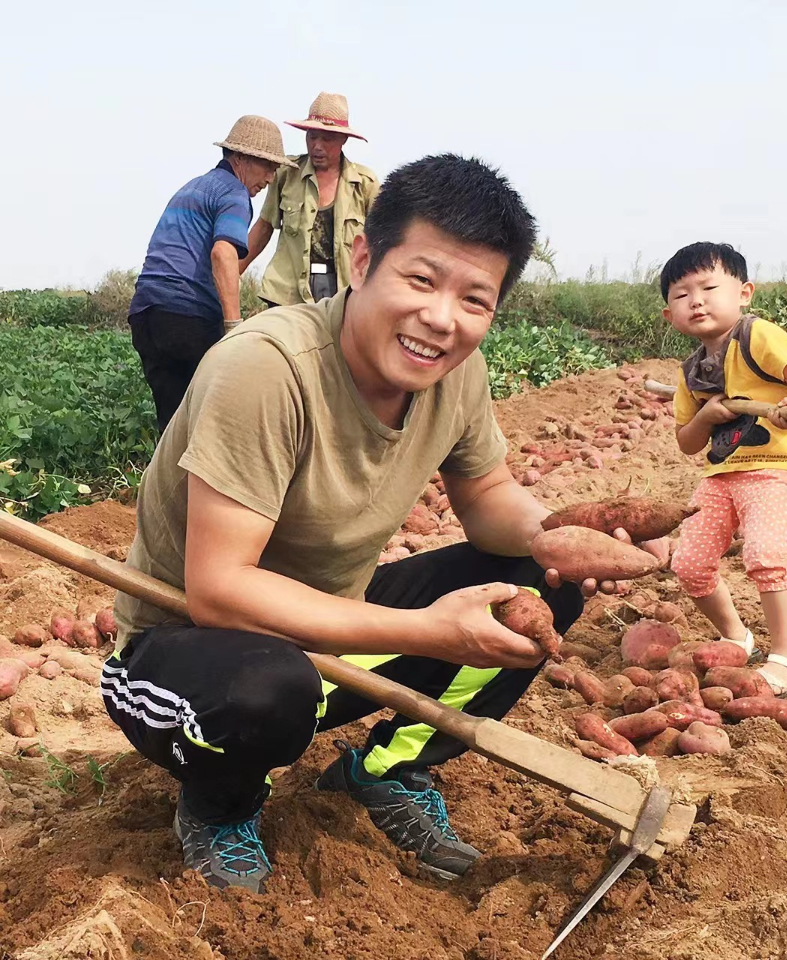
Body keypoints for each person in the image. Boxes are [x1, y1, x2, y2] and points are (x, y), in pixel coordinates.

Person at [105, 154, 651, 895]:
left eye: (475, 299)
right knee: (268, 690)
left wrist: (554, 536)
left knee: (537, 588)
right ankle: (220, 804)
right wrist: (428, 630)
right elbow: (220, 592)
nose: (441, 318)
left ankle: (386, 770)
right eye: (421, 280)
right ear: (364, 259)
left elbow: (488, 494)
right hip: (188, 659)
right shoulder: (267, 369)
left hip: (326, 639)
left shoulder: (457, 372)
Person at [662, 242, 787, 697]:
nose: (696, 300)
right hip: (720, 474)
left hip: (776, 465)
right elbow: (687, 443)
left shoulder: (759, 337)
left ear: (744, 293)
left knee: (765, 556)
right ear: (668, 314)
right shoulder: (691, 371)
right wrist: (706, 416)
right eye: (682, 294)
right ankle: (738, 637)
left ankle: (786, 659)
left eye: (709, 287)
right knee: (690, 564)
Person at [128, 116, 295, 433]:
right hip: (186, 317)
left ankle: (166, 482)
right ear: (241, 158)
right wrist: (233, 327)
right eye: (267, 166)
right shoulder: (234, 194)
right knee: (220, 414)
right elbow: (223, 252)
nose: (271, 178)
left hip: (146, 315)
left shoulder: (193, 187)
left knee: (174, 421)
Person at [240, 92, 379, 306]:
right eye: (312, 136)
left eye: (327, 138)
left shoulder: (365, 184)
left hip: (343, 293)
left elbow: (381, 243)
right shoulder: (287, 174)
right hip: (288, 293)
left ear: (343, 139)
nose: (317, 146)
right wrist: (232, 274)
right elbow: (264, 227)